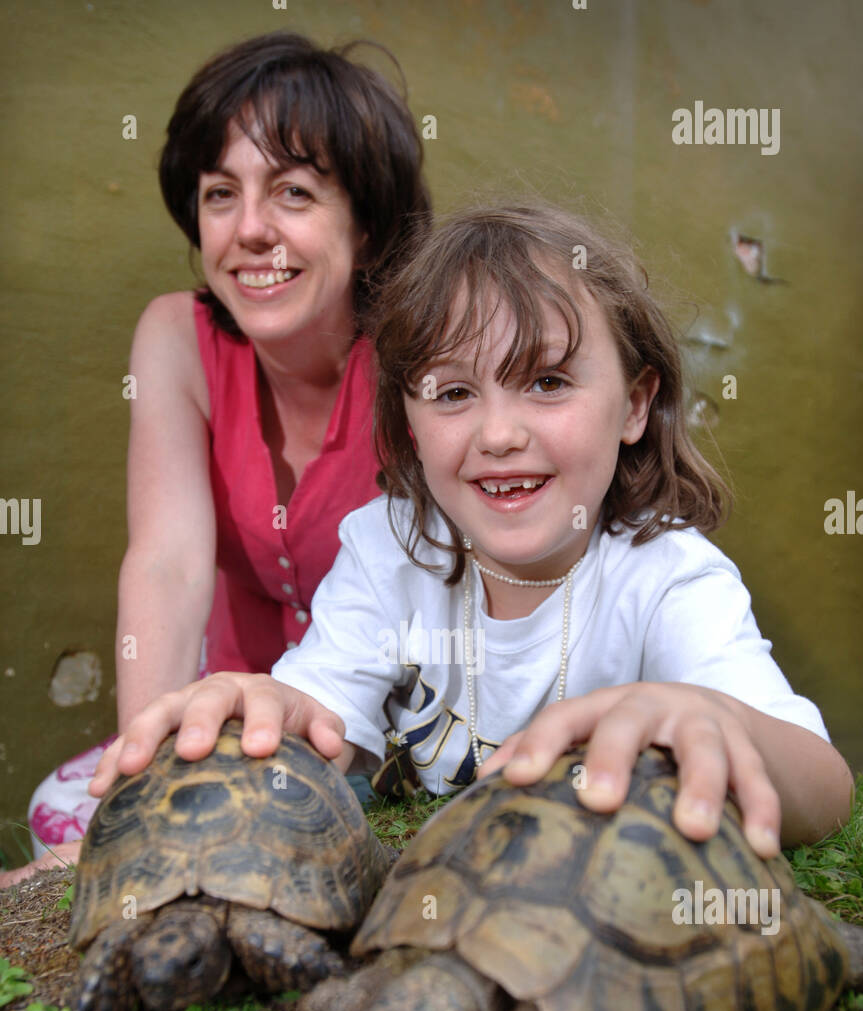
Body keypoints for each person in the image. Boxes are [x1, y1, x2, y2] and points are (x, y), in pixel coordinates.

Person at [88, 201, 854, 855]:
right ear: (409, 427)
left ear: (632, 404)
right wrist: (269, 711)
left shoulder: (665, 577)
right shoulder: (388, 549)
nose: (497, 434)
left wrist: (708, 716)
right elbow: (321, 723)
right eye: (452, 393)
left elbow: (822, 788)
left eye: (547, 382)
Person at [2, 31, 430, 886]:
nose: (250, 231)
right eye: (219, 193)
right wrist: (144, 794)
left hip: (382, 725)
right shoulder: (177, 337)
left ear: (368, 222)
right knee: (63, 806)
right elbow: (166, 565)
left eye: (295, 193)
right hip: (236, 701)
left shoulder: (425, 355)